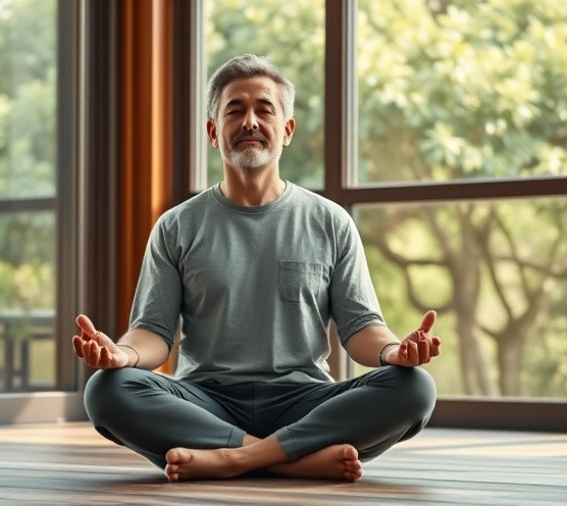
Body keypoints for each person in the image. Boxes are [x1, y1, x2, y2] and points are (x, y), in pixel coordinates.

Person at [72, 54, 442, 482]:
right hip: (205, 400)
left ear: (287, 130)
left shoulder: (331, 221)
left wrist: (395, 353)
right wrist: (123, 354)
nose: (250, 121)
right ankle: (291, 459)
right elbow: (153, 334)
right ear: (214, 133)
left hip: (304, 400)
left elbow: (360, 330)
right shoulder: (176, 226)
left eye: (264, 109)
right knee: (107, 390)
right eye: (235, 110)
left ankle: (231, 458)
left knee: (414, 388)